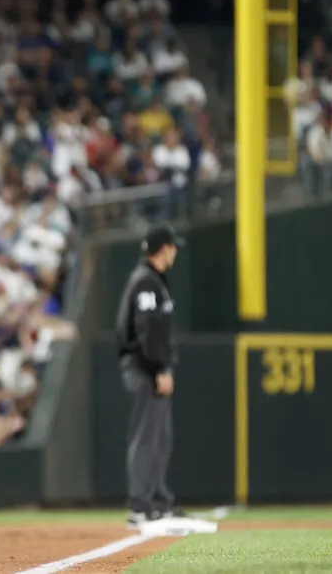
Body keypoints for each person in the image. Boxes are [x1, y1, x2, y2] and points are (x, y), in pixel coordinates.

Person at [115, 221, 184, 525]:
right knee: (147, 437)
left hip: (151, 367)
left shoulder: (153, 281)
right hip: (144, 368)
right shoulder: (146, 282)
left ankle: (157, 500)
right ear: (164, 249)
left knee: (160, 437)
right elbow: (146, 330)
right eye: (172, 247)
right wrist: (159, 369)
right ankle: (141, 505)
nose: (175, 253)